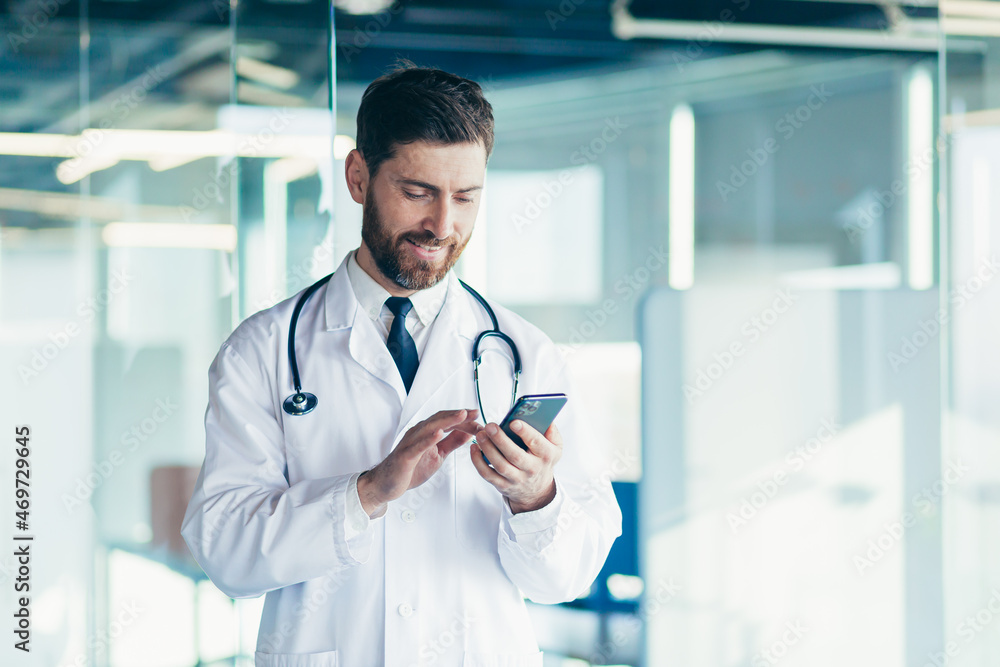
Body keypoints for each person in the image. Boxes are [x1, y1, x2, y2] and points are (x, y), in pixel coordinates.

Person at [181, 63, 622, 667]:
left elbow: (566, 579)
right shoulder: (260, 350)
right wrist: (366, 492)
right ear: (358, 177)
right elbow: (225, 552)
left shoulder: (526, 353)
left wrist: (535, 496)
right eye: (418, 192)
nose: (443, 225)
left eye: (465, 197)